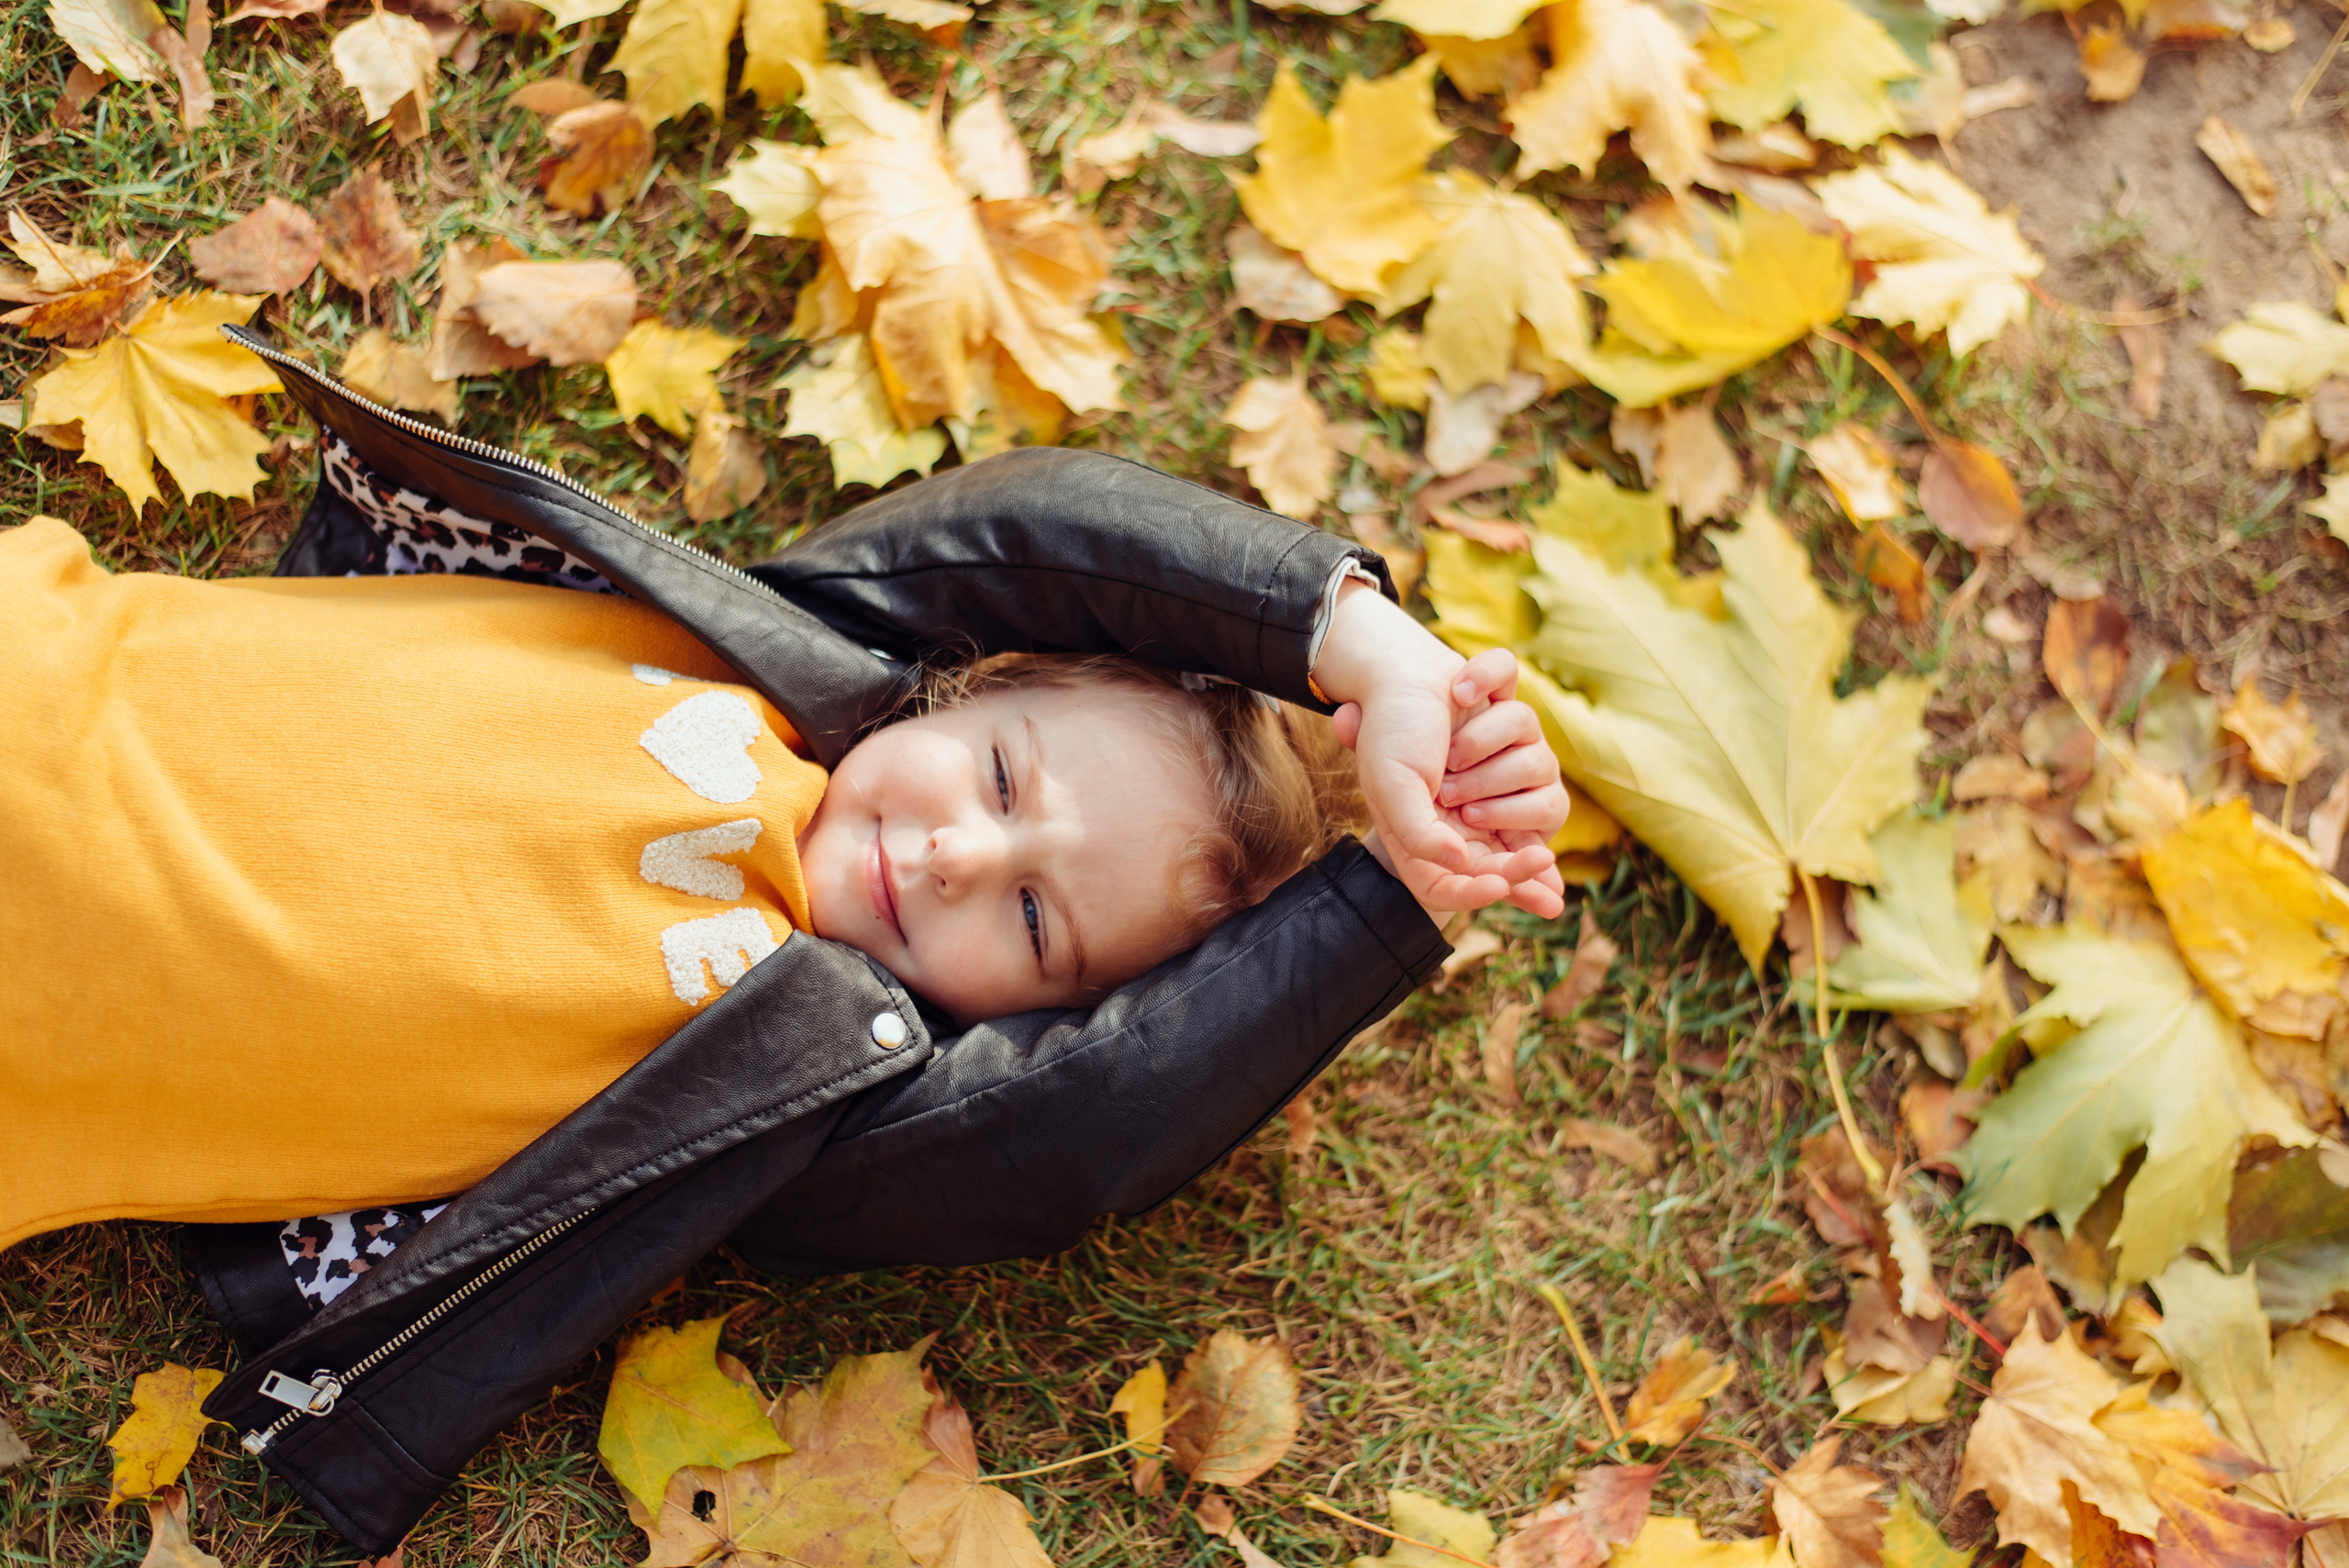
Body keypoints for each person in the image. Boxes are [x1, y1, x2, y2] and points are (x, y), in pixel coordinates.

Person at [0, 323, 1566, 1552]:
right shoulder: (789, 653)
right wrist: (1364, 645)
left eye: (1032, 917)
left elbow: (1091, 1119)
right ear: (960, 681)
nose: (958, 852)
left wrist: (1399, 903)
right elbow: (1039, 528)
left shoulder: (801, 1082)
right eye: (1004, 775)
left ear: (1029, 1022)